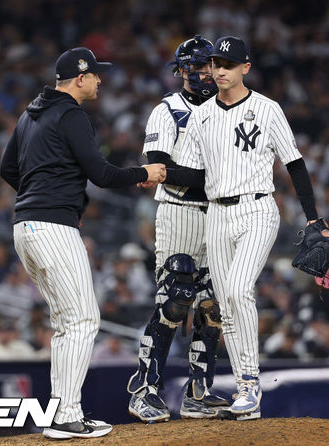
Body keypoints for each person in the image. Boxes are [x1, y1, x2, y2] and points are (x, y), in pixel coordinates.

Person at [0, 47, 165, 439]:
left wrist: (39, 192)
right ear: (79, 78)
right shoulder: (72, 114)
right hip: (53, 227)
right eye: (94, 75)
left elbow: (8, 168)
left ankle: (62, 412)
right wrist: (144, 171)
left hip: (25, 226)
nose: (99, 80)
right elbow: (102, 173)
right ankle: (66, 416)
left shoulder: (29, 114)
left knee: (65, 323)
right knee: (84, 320)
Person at [161, 36, 319, 419]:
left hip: (257, 209)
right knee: (226, 303)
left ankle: (250, 383)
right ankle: (245, 392)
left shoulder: (267, 109)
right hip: (215, 212)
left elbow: (294, 163)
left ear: (245, 68)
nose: (218, 71)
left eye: (227, 65)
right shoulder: (201, 116)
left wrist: (314, 218)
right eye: (215, 63)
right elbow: (195, 174)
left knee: (236, 289)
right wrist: (156, 171)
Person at [127, 35, 229, 422]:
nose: (206, 73)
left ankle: (198, 392)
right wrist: (217, 182)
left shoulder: (226, 110)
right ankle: (143, 388)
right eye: (199, 66)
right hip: (180, 211)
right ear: (182, 70)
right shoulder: (167, 110)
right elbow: (159, 169)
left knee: (213, 306)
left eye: (211, 65)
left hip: (218, 214)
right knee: (175, 299)